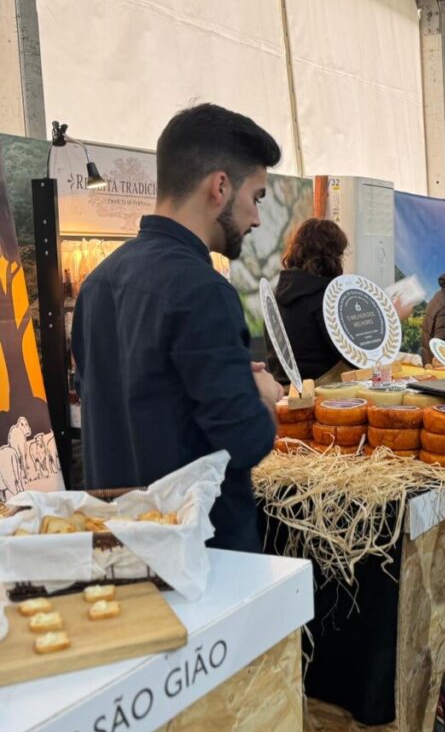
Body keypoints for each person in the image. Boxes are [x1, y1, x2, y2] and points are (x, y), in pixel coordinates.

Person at [71, 103, 284, 552]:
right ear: (220, 187)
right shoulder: (203, 292)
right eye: (257, 197)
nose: (257, 218)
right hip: (201, 559)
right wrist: (263, 399)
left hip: (123, 550)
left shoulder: (98, 285)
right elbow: (246, 440)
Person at [265, 218, 355, 384]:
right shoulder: (325, 298)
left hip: (282, 391)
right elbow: (353, 357)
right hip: (319, 394)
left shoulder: (275, 294)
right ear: (332, 256)